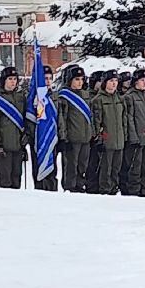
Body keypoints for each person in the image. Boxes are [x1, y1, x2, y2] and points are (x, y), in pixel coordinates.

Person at [0, 66, 28, 189]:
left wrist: (26, 137)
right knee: (6, 179)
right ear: (4, 80)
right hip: (4, 146)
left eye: (15, 79)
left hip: (19, 145)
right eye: (10, 79)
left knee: (17, 177)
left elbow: (26, 119)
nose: (13, 82)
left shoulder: (21, 98)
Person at [55, 65, 94, 193]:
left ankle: (80, 185)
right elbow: (62, 119)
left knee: (83, 165)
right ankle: (70, 187)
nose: (80, 82)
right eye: (77, 79)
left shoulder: (86, 95)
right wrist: (63, 137)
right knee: (71, 166)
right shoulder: (64, 96)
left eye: (81, 79)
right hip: (72, 138)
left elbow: (90, 116)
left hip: (85, 137)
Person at [91, 72, 127, 195]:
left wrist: (124, 136)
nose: (114, 84)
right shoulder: (98, 100)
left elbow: (124, 120)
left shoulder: (120, 99)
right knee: (106, 169)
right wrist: (100, 139)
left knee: (116, 169)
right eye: (111, 81)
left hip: (119, 140)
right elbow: (97, 122)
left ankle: (114, 189)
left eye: (116, 81)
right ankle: (105, 191)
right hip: (107, 140)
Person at [122, 69, 145, 197]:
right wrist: (133, 137)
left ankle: (144, 190)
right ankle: (134, 191)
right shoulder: (129, 97)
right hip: (136, 139)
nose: (144, 83)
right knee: (134, 167)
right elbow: (129, 118)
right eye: (142, 80)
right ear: (135, 82)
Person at [83, 71, 107, 193]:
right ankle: (91, 187)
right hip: (91, 136)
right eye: (99, 81)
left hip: (104, 136)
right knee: (91, 164)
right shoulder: (89, 97)